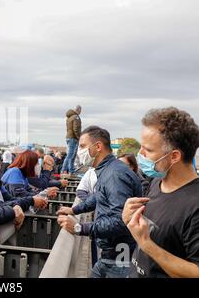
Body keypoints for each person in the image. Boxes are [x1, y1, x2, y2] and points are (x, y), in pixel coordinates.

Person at [122, 107, 199, 278]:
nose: (139, 154)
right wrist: (129, 221)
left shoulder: (195, 205)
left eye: (148, 150)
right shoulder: (157, 182)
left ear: (174, 157)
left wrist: (146, 244)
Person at [57, 125, 142, 278]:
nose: (79, 152)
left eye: (82, 146)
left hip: (119, 259)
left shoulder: (114, 175)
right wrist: (73, 210)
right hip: (110, 256)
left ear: (98, 147)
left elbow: (121, 221)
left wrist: (79, 227)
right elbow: (98, 197)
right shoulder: (108, 170)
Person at [61, 105, 82, 176]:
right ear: (78, 110)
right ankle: (64, 170)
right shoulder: (76, 117)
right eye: (80, 110)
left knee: (72, 155)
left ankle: (71, 170)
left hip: (69, 137)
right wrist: (79, 137)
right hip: (73, 138)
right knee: (70, 155)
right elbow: (76, 129)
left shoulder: (69, 117)